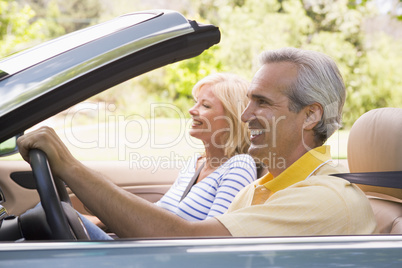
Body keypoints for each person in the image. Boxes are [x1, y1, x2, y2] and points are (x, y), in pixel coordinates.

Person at [18, 47, 377, 239]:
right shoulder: (262, 188)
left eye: (263, 102)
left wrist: (70, 167)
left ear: (311, 115)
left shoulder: (325, 197)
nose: (244, 114)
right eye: (248, 100)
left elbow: (184, 238)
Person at [155, 73, 257, 221]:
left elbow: (211, 238)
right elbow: (157, 212)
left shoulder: (239, 167)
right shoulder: (194, 163)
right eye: (196, 102)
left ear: (231, 120)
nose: (192, 110)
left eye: (205, 105)